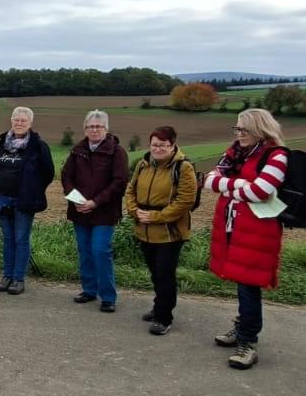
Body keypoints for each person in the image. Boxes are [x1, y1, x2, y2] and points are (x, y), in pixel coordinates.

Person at [206, 108, 290, 370]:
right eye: (237, 129)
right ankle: (242, 326)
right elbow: (209, 180)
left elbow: (262, 191)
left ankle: (248, 341)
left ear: (260, 129)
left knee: (249, 283)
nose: (239, 134)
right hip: (234, 227)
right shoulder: (235, 153)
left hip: (256, 231)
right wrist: (242, 186)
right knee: (241, 282)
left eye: (245, 130)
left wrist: (232, 186)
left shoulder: (277, 155)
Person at [122, 126, 199, 336]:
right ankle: (159, 307)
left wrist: (157, 216)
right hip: (144, 228)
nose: (158, 149)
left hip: (169, 232)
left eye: (163, 145)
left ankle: (164, 317)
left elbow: (185, 201)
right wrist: (134, 211)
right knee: (155, 273)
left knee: (165, 274)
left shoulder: (183, 168)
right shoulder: (142, 164)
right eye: (154, 145)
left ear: (172, 146)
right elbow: (130, 190)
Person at [61, 110, 130, 311]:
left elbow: (119, 182)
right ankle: (89, 290)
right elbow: (66, 177)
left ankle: (108, 296)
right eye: (91, 126)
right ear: (85, 129)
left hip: (104, 212)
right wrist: (75, 199)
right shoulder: (77, 150)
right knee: (85, 251)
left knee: (100, 251)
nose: (94, 130)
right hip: (79, 210)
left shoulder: (117, 152)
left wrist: (95, 202)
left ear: (106, 128)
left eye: (98, 126)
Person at [0, 106, 55, 295]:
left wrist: (32, 189)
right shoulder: (3, 142)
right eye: (16, 119)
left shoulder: (38, 145)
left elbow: (48, 172)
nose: (19, 123)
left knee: (21, 239)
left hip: (24, 200)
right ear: (11, 121)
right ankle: (6, 276)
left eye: (23, 120)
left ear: (30, 123)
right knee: (8, 239)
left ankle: (18, 279)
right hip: (3, 198)